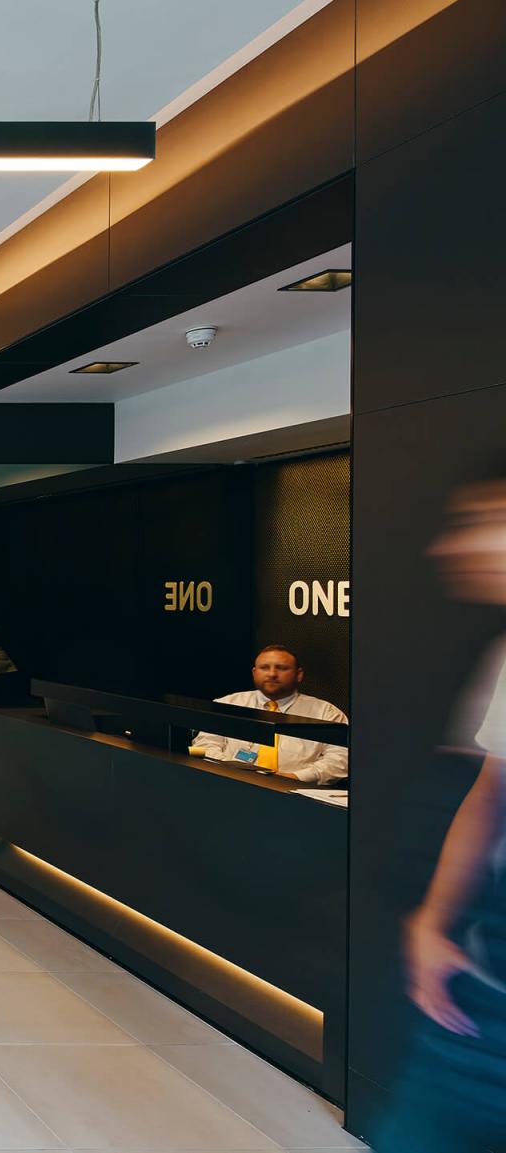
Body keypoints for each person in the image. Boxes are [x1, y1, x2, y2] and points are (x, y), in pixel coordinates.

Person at [377, 471, 506, 1149]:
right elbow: (491, 790)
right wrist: (433, 917)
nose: (457, 545)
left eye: (489, 518)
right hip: (484, 960)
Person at [196, 645, 350, 784]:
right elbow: (205, 746)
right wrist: (237, 772)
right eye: (264, 667)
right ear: (254, 673)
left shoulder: (326, 713)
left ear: (299, 674)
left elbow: (340, 759)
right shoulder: (227, 704)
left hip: (296, 793)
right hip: (232, 785)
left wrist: (295, 778)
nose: (272, 674)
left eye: (281, 668)